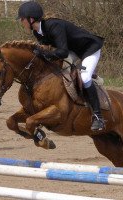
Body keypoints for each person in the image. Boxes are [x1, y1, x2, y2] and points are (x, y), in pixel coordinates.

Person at [16, 1, 105, 131]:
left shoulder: (54, 26)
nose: (21, 22)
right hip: (73, 50)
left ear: (31, 19)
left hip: (89, 49)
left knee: (85, 78)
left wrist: (44, 52)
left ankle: (98, 117)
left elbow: (62, 52)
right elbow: (51, 51)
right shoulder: (37, 32)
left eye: (22, 19)